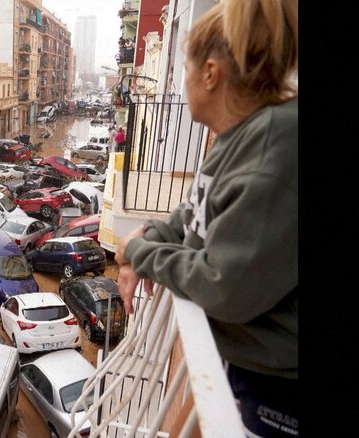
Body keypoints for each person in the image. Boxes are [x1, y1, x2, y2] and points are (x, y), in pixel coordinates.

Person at [113, 0, 297, 437]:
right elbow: (193, 212)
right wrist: (151, 234)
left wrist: (140, 251)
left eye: (185, 68)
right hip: (248, 363)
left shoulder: (273, 147)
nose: (183, 80)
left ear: (211, 74)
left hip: (278, 391)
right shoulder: (241, 136)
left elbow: (224, 286)